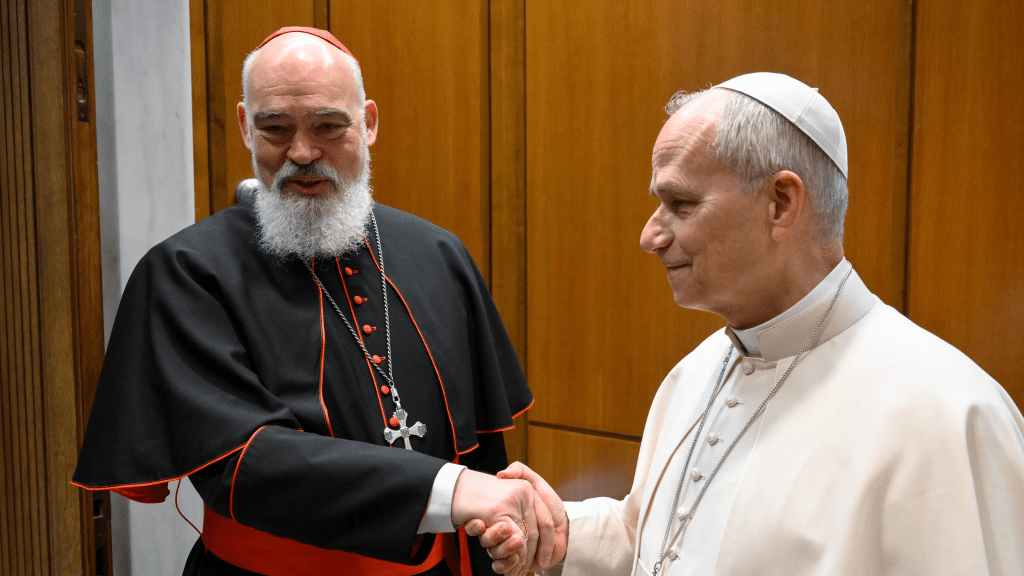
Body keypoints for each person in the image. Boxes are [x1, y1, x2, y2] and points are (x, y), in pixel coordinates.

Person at [485, 72, 1024, 575]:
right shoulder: (696, 373)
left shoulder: (948, 415)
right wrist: (553, 530)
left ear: (781, 204)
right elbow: (660, 540)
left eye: (681, 203)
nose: (651, 237)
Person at [73, 27, 548, 576]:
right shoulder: (185, 272)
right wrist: (454, 488)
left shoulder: (438, 253)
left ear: (368, 124)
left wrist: (500, 533)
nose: (301, 152)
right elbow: (242, 460)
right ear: (247, 127)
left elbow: (481, 447)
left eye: (328, 126)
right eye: (274, 128)